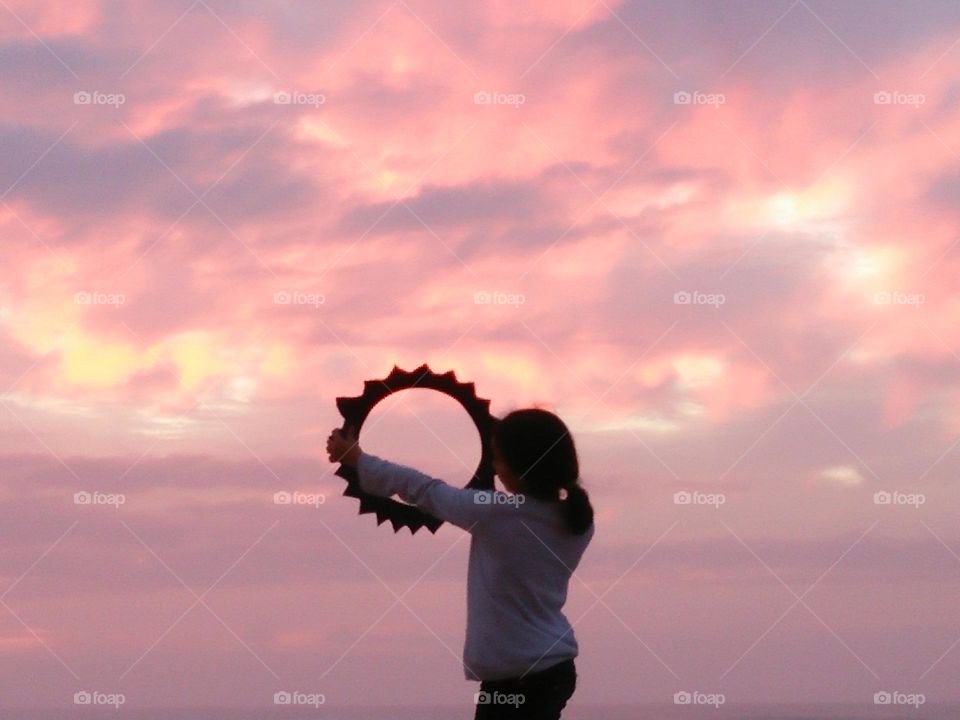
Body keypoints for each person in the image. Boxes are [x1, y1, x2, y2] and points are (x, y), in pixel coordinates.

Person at [327, 407, 595, 719]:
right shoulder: (577, 522)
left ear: (521, 466)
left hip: (519, 680)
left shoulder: (496, 513)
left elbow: (425, 490)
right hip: (550, 670)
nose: (493, 470)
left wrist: (358, 458)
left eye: (498, 458)